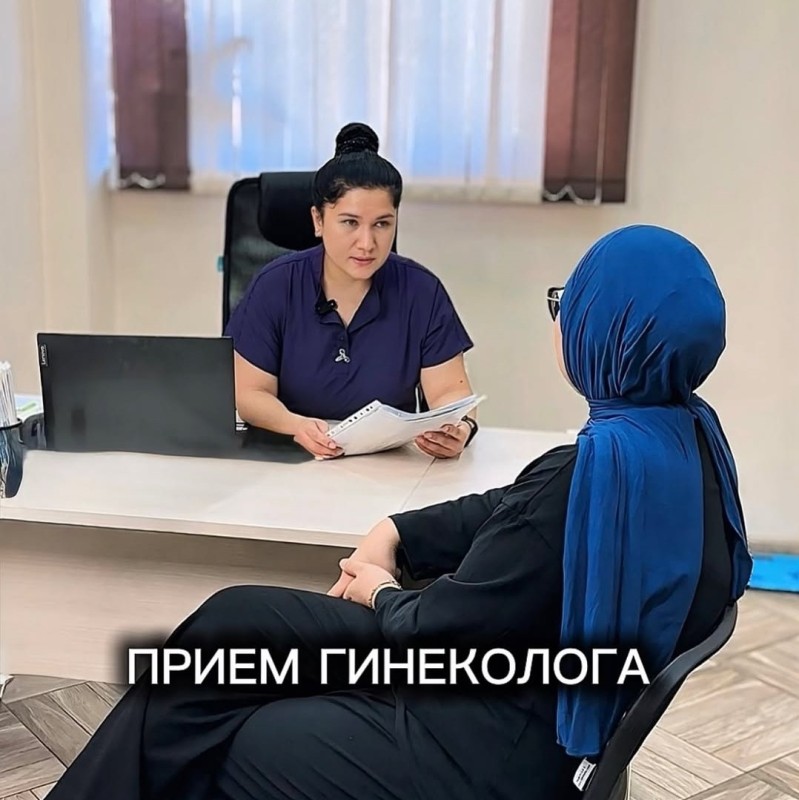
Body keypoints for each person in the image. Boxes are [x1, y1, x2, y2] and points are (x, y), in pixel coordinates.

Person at [45, 224, 752, 800]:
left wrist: (382, 591)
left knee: (228, 734)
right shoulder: (679, 444)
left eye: (569, 303)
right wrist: (397, 533)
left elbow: (439, 625)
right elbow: (507, 509)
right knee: (229, 626)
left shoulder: (581, 483)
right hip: (507, 692)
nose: (560, 318)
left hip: (478, 743)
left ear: (608, 333)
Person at [225, 122, 478, 460]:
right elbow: (249, 392)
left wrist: (458, 428)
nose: (367, 243)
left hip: (389, 466)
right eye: (350, 222)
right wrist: (297, 426)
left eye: (382, 224)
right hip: (290, 459)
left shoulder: (422, 291)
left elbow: (450, 391)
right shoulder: (274, 286)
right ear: (318, 220)